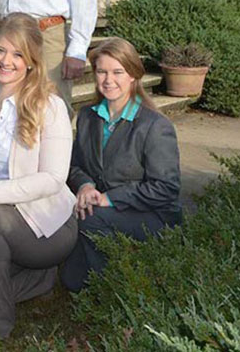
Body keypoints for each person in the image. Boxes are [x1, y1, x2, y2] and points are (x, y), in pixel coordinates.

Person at [0, 13, 77, 341]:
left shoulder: (50, 106)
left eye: (18, 54)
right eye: (1, 51)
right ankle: (39, 280)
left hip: (46, 226)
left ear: (32, 61)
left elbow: (53, 178)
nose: (7, 61)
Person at [61, 38, 182, 292]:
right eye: (102, 71)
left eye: (118, 72)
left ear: (133, 76)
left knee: (90, 220)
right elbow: (74, 165)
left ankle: (110, 290)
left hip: (152, 215)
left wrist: (110, 198)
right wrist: (84, 186)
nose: (108, 80)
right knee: (69, 279)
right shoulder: (87, 117)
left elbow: (166, 188)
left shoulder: (155, 126)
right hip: (101, 208)